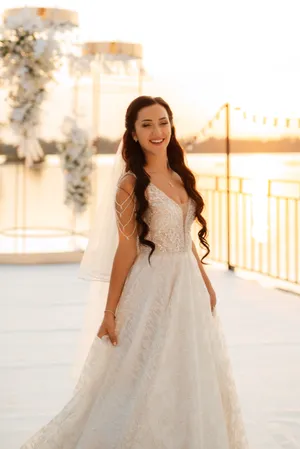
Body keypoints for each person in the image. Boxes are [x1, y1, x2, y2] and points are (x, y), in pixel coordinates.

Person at [21, 96, 249, 449]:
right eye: (147, 125)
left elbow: (185, 236)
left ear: (171, 126)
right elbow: (126, 249)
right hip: (153, 284)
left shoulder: (178, 173)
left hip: (187, 283)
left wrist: (206, 282)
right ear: (134, 133)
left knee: (189, 367)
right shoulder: (130, 184)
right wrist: (109, 311)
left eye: (163, 122)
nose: (157, 131)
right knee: (146, 370)